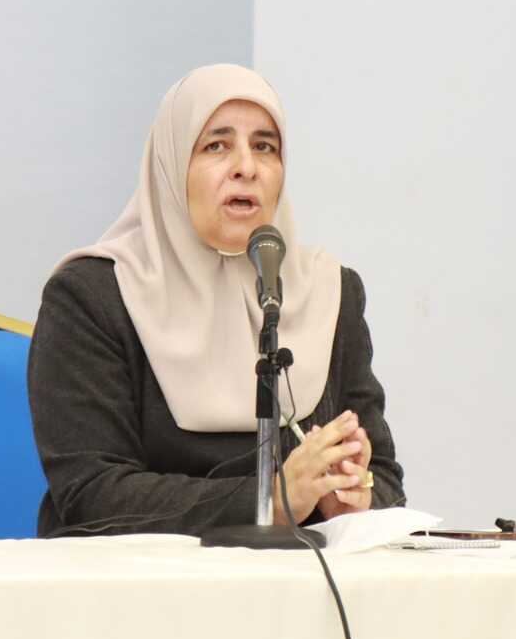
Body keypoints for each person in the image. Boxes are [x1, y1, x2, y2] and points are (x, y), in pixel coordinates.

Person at [28, 64, 404, 535]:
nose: (246, 167)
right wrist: (269, 502)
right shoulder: (93, 296)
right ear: (171, 167)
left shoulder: (329, 291)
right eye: (216, 146)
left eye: (265, 147)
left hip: (297, 574)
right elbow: (92, 494)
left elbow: (385, 477)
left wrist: (354, 496)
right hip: (132, 574)